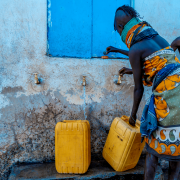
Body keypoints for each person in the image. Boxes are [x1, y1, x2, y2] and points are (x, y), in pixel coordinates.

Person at [107, 5, 180, 180]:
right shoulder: (158, 39)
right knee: (177, 151)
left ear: (120, 28)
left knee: (152, 151)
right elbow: (157, 63)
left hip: (168, 100)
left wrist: (132, 117)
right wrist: (119, 53)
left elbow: (139, 88)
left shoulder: (136, 49)